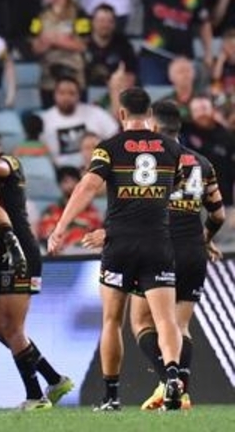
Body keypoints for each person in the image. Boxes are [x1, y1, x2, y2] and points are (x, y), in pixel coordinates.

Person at [48, 87, 187, 411]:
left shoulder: (108, 148)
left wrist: (61, 227)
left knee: (111, 320)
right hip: (157, 241)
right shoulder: (172, 148)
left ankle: (111, 397)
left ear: (121, 113)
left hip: (119, 243)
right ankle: (172, 377)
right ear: (149, 115)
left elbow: (88, 186)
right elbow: (176, 188)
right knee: (165, 319)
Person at [95, 100, 225, 412]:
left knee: (142, 322)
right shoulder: (202, 163)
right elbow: (218, 215)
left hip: (158, 245)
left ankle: (169, 382)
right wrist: (205, 240)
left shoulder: (153, 158)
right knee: (179, 326)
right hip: (193, 249)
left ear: (153, 125)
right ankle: (181, 390)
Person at [0, 126, 74, 410]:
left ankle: (35, 395)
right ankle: (54, 378)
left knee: (13, 328)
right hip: (2, 253)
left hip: (20, 250)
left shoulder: (9, 163)